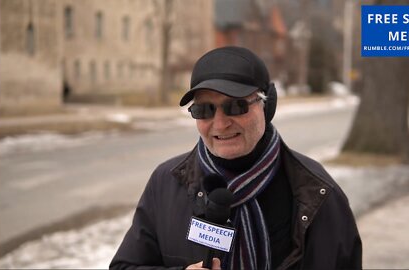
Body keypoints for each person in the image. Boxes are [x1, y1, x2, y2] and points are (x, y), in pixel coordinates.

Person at [110, 46, 362, 270]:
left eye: (236, 106)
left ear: (267, 105)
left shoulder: (316, 190)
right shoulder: (165, 184)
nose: (220, 124)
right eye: (204, 110)